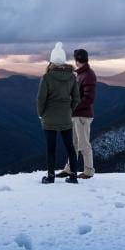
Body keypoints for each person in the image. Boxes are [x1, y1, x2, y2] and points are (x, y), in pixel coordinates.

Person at [36, 42, 81, 184]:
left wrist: (41, 113)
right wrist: (70, 110)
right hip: (66, 117)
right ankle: (73, 175)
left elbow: (41, 98)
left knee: (51, 148)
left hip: (49, 118)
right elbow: (76, 98)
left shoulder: (47, 77)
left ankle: (50, 176)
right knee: (70, 147)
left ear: (52, 60)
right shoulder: (72, 77)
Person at [57, 48, 97, 180]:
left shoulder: (88, 75)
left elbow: (88, 99)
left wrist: (73, 107)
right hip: (75, 115)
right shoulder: (81, 74)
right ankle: (69, 169)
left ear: (77, 60)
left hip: (82, 116)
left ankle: (89, 171)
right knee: (73, 144)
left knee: (84, 144)